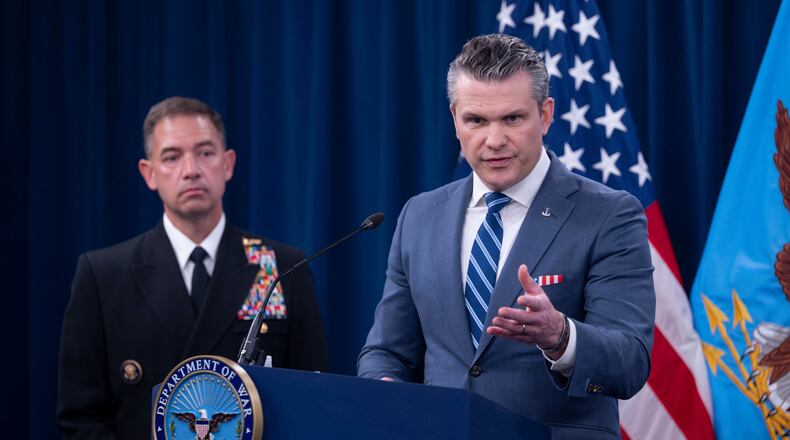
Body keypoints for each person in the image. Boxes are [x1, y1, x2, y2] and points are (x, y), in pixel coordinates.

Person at [357, 34, 655, 439]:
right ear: (455, 119)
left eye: (512, 118)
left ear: (546, 115)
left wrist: (560, 337)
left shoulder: (609, 215)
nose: (494, 140)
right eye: (476, 120)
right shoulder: (420, 216)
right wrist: (385, 390)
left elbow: (629, 362)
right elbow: (386, 352)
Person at [57, 96, 329, 439]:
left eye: (205, 153)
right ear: (149, 173)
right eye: (172, 157)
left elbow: (313, 404)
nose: (191, 170)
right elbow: (81, 417)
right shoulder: (103, 275)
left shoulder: (280, 268)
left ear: (228, 164)